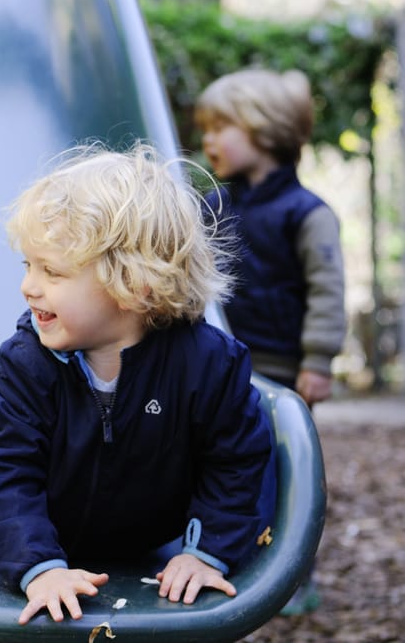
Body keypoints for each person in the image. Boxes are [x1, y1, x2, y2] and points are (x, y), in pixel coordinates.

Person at [0, 141, 277, 626]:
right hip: (43, 489)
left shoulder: (209, 365)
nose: (28, 285)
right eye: (28, 265)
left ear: (134, 283)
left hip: (130, 505)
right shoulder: (26, 363)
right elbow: (7, 479)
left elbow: (236, 465)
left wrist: (206, 552)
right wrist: (39, 568)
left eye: (52, 271)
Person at [195, 67, 346, 615]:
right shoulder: (214, 205)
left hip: (281, 364)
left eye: (219, 127)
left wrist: (319, 360)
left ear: (262, 129)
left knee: (284, 475)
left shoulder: (308, 215)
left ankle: (293, 577)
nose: (207, 140)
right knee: (227, 465)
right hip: (223, 362)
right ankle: (228, 557)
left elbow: (328, 290)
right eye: (204, 128)